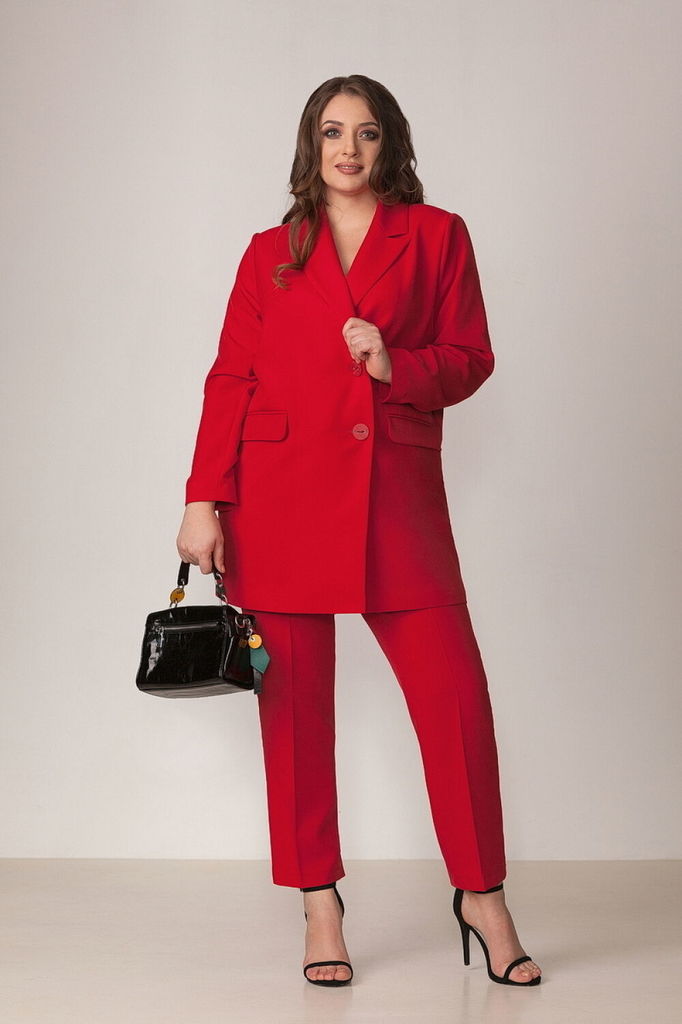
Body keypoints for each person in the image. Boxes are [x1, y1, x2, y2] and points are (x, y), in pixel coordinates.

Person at [176, 74, 542, 988]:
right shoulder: (270, 252)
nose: (348, 149)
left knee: (455, 699)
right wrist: (202, 497)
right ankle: (319, 905)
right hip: (278, 498)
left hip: (393, 497)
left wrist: (394, 363)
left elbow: (471, 357)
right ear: (312, 144)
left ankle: (484, 897)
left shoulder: (437, 236)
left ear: (390, 144)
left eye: (367, 133)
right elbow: (231, 377)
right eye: (333, 132)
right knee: (295, 713)